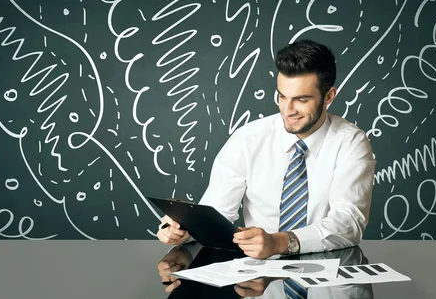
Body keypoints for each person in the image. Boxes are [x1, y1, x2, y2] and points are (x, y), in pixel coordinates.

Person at [157, 39, 376, 260]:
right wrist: (183, 232)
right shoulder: (247, 139)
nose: (288, 110)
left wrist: (280, 242)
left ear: (329, 96)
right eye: (282, 96)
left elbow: (349, 223)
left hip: (328, 276)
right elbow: (216, 214)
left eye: (301, 99)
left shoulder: (351, 143)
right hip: (258, 281)